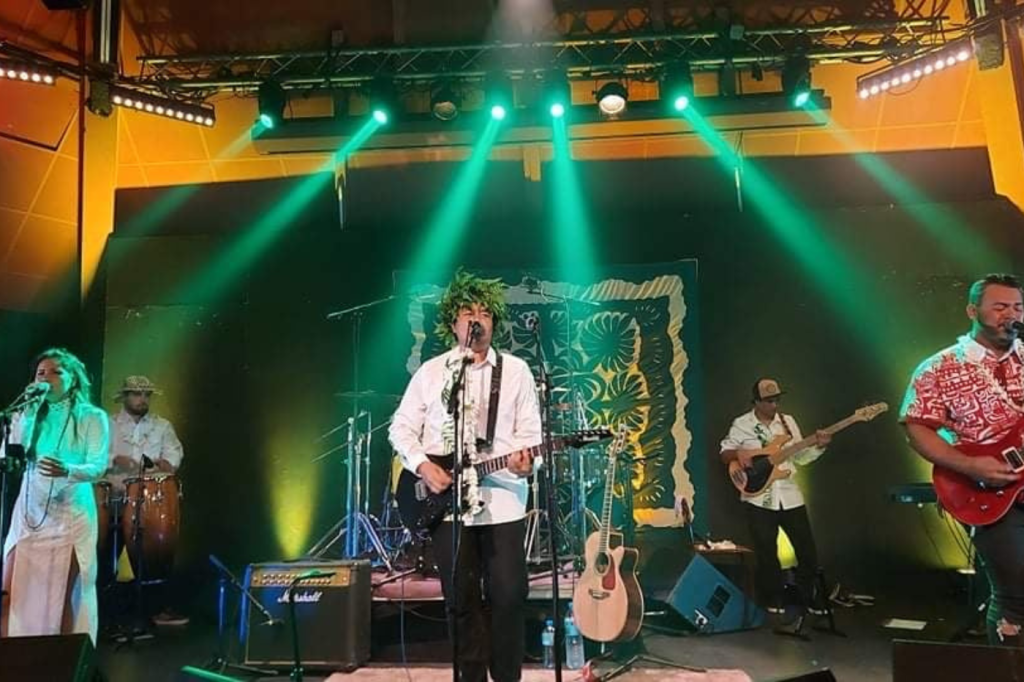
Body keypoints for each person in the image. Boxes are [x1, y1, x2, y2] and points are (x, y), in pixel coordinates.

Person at [389, 269, 541, 682]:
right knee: (460, 601)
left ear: (495, 322)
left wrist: (527, 463)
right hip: (448, 510)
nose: (477, 320)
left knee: (509, 595)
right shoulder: (432, 372)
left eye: (485, 313)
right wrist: (423, 465)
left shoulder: (516, 371)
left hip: (503, 503)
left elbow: (531, 438)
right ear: (453, 323)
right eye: (468, 313)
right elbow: (400, 428)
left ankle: (506, 676)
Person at [901, 273, 1024, 645]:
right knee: (1017, 596)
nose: (1011, 315)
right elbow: (916, 427)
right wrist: (970, 465)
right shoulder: (939, 367)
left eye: (1018, 307)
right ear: (972, 311)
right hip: (993, 495)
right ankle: (1009, 667)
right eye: (1000, 307)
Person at [1, 348, 109, 643]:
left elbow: (98, 466)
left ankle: (60, 661)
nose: (46, 377)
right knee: (9, 593)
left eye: (56, 372)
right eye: (40, 373)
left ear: (74, 379)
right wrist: (28, 415)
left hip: (70, 516)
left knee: (61, 597)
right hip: (29, 514)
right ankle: (9, 657)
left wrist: (68, 470)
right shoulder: (26, 415)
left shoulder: (92, 417)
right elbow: (8, 455)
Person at [719, 378, 831, 615]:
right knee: (766, 551)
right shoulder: (742, 424)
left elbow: (800, 456)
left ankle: (807, 597)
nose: (774, 405)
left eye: (777, 399)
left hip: (789, 494)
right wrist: (739, 453)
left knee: (807, 550)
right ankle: (773, 598)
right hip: (758, 495)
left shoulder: (788, 422)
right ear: (756, 401)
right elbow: (725, 454)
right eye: (768, 401)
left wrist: (819, 447)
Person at [105, 375, 186, 627]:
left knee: (154, 556)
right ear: (125, 397)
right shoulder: (108, 424)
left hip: (149, 503)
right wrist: (114, 459)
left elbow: (174, 454)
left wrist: (166, 463)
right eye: (136, 394)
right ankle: (105, 615)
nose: (142, 399)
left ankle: (156, 608)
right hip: (114, 499)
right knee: (106, 556)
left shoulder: (162, 426)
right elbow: (94, 455)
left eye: (146, 395)